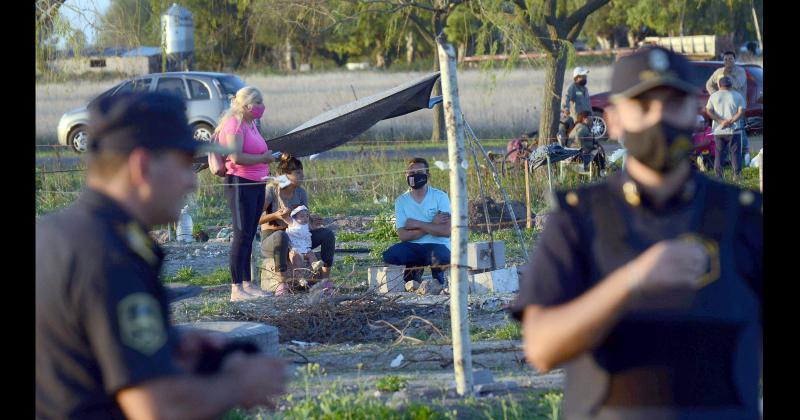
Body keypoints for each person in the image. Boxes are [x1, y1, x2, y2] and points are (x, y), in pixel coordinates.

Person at [511, 47, 762, 419]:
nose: (659, 117)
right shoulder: (579, 218)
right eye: (643, 106)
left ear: (696, 113)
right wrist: (631, 282)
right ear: (612, 120)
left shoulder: (742, 216)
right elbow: (542, 347)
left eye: (672, 103)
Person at [36, 92, 289, 419]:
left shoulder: (56, 234)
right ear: (142, 166)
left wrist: (167, 343)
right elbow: (158, 410)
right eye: (184, 165)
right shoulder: (111, 258)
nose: (190, 183)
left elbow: (81, 356)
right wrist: (238, 384)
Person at [216, 86, 276, 301]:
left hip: (257, 182)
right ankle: (236, 288)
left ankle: (247, 283)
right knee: (241, 235)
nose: (262, 106)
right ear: (247, 105)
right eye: (258, 102)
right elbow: (236, 157)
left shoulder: (251, 123)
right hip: (241, 183)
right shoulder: (234, 124)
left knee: (250, 233)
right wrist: (263, 159)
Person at [259, 154, 336, 295]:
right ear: (286, 175)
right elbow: (254, 219)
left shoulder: (300, 192)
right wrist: (275, 215)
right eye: (298, 173)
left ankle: (325, 281)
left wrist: (312, 221)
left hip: (298, 237)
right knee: (281, 236)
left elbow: (304, 221)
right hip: (273, 238)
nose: (302, 176)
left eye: (302, 172)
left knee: (327, 235)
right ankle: (282, 285)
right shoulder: (271, 190)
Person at [382, 158, 452, 295]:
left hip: (436, 245)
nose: (414, 176)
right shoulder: (401, 201)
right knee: (390, 255)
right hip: (412, 246)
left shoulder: (440, 197)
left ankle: (438, 280)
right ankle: (413, 277)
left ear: (428, 175)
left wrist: (417, 224)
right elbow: (403, 235)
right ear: (406, 175)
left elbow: (445, 231)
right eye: (411, 172)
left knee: (440, 256)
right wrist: (432, 225)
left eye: (419, 172)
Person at [706, 50, 750, 160]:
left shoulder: (740, 71)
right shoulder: (718, 72)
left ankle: (745, 154)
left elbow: (738, 84)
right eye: (725, 59)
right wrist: (716, 95)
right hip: (721, 108)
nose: (728, 61)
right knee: (722, 131)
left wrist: (728, 74)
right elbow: (709, 84)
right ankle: (725, 158)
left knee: (739, 131)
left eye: (730, 59)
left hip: (737, 107)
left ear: (735, 60)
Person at [706, 75, 746, 179]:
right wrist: (732, 120)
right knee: (735, 154)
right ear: (731, 85)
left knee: (719, 153)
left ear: (719, 85)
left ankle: (719, 176)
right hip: (734, 130)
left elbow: (708, 110)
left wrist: (720, 121)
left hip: (719, 131)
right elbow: (741, 111)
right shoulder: (738, 95)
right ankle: (737, 176)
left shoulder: (713, 96)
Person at [286, 205, 324, 273]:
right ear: (295, 217)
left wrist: (317, 227)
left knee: (311, 254)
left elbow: (312, 228)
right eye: (302, 216)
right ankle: (300, 276)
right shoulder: (293, 222)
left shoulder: (306, 224)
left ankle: (314, 264)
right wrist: (284, 213)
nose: (305, 218)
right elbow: (285, 218)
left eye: (307, 216)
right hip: (296, 248)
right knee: (296, 259)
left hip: (305, 248)